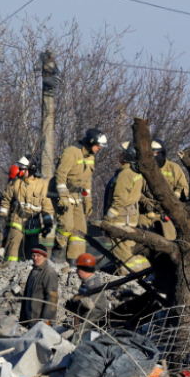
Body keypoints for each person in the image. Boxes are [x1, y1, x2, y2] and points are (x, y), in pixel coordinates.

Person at [53, 128, 106, 266]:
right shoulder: (72, 152)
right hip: (63, 193)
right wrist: (63, 196)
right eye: (98, 145)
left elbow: (86, 181)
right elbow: (61, 175)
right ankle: (57, 255)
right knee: (66, 225)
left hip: (76, 196)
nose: (100, 148)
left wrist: (88, 200)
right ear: (91, 142)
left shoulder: (90, 157)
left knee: (80, 229)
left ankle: (74, 261)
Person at [104, 144, 151, 273]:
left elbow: (119, 200)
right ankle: (143, 272)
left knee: (121, 250)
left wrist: (108, 219)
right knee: (130, 247)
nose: (120, 154)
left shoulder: (125, 174)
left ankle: (126, 276)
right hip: (131, 217)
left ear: (128, 156)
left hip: (120, 218)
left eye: (123, 153)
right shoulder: (136, 173)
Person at [0, 157, 55, 262]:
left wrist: (48, 223)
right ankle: (10, 268)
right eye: (20, 169)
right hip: (17, 219)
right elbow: (5, 200)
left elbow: (47, 206)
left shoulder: (42, 185)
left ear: (32, 169)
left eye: (23, 169)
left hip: (34, 222)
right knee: (13, 245)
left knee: (32, 250)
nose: (20, 171)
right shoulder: (15, 183)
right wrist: (2, 216)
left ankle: (29, 270)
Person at [66, 253, 111, 335]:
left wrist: (75, 298)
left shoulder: (94, 284)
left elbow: (89, 304)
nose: (76, 271)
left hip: (94, 322)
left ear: (84, 269)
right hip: (86, 320)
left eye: (78, 269)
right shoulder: (87, 283)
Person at [20, 246, 59, 326]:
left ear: (44, 257)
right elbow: (26, 296)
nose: (35, 258)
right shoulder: (33, 271)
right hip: (31, 319)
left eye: (38, 256)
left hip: (41, 321)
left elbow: (52, 298)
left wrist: (46, 321)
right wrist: (22, 319)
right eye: (33, 255)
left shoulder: (49, 273)